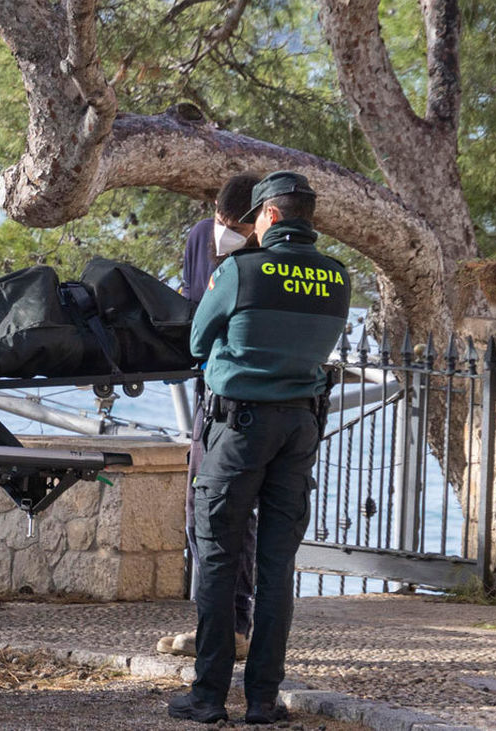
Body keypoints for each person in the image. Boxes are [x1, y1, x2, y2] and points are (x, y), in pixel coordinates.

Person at [168, 171, 350, 724]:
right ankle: (263, 700)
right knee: (276, 567)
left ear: (268, 216)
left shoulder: (241, 270)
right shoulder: (337, 278)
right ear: (308, 219)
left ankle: (207, 697)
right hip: (300, 431)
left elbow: (198, 341)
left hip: (239, 428)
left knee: (219, 559)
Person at [159, 173, 260, 660]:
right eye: (218, 216)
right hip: (207, 392)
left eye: (232, 222)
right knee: (199, 511)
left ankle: (234, 625)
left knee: (235, 513)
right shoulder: (200, 238)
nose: (222, 228)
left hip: (248, 399)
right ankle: (216, 623)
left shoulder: (265, 256)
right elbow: (192, 316)